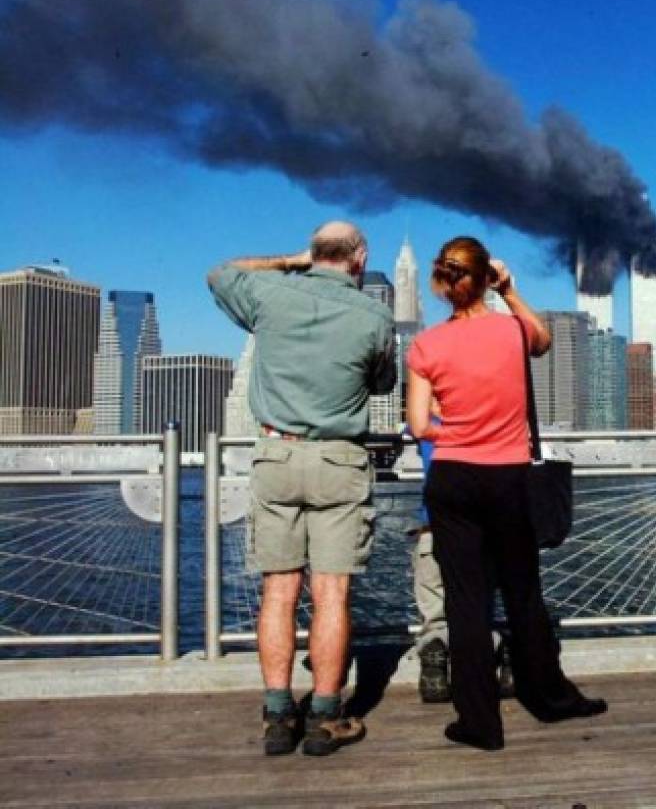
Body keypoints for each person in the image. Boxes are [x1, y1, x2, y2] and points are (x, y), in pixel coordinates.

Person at [406, 236, 606, 751]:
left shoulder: (426, 345)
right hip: (509, 478)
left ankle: (479, 722)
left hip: (452, 477)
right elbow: (543, 340)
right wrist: (511, 289)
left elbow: (416, 423)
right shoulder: (513, 331)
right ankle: (551, 699)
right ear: (483, 278)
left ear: (443, 283)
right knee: (523, 594)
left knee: (465, 605)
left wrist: (452, 430)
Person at [208, 220, 396, 756]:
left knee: (279, 591)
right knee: (332, 591)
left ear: (313, 254)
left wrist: (287, 263)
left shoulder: (271, 294)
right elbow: (383, 382)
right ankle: (325, 717)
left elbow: (219, 273)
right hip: (341, 458)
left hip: (276, 454)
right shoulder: (376, 316)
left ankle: (276, 716)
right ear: (359, 258)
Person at [405, 413, 513, 703]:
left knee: (434, 607)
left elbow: (413, 426)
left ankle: (436, 653)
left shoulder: (426, 421)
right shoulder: (487, 418)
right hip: (482, 529)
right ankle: (493, 652)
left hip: (435, 527)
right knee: (478, 606)